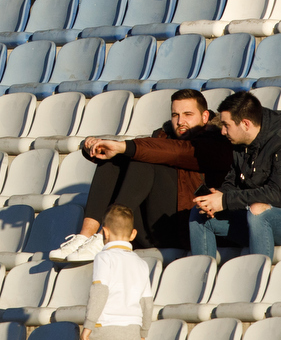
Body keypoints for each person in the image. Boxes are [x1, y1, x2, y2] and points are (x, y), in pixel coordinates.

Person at [54, 90, 231, 261]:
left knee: (143, 157)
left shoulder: (216, 143)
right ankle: (86, 236)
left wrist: (123, 147)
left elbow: (177, 152)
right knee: (114, 160)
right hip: (149, 227)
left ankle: (108, 235)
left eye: (187, 114)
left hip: (184, 226)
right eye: (175, 115)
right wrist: (94, 148)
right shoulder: (161, 137)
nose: (180, 121)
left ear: (205, 117)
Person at [187, 90, 281, 258]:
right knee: (199, 214)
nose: (223, 132)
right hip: (259, 221)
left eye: (226, 125)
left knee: (259, 212)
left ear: (246, 124)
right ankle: (203, 276)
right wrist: (217, 197)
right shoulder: (240, 144)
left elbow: (277, 195)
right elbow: (232, 183)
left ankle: (258, 278)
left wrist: (225, 201)